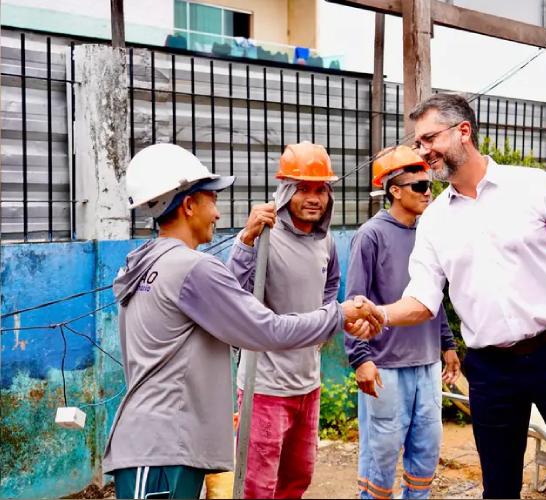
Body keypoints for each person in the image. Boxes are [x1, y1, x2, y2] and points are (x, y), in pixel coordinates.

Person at [103, 143, 383, 499]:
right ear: (189, 205)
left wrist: (329, 313)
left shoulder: (144, 261)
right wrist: (338, 315)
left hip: (166, 443)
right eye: (212, 201)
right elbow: (264, 328)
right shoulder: (193, 268)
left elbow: (232, 309)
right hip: (162, 446)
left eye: (320, 190)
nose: (218, 214)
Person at [372, 93, 546, 498]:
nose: (423, 151)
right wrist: (379, 314)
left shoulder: (534, 188)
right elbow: (423, 299)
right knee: (498, 488)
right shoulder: (435, 221)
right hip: (490, 371)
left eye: (430, 139)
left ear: (464, 131)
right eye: (419, 142)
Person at [345, 145, 461, 499]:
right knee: (380, 454)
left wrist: (448, 345)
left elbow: (431, 296)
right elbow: (354, 303)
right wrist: (360, 358)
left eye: (430, 186)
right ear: (394, 190)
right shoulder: (371, 235)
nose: (428, 193)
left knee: (426, 450)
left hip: (425, 363)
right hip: (386, 366)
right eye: (419, 187)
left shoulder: (429, 233)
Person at [226, 142, 340, 499]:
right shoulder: (264, 236)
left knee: (297, 479)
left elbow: (331, 283)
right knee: (257, 486)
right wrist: (246, 239)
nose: (313, 198)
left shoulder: (327, 242)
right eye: (303, 188)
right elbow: (231, 294)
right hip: (265, 387)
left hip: (308, 383)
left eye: (320, 190)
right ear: (286, 190)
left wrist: (320, 322)